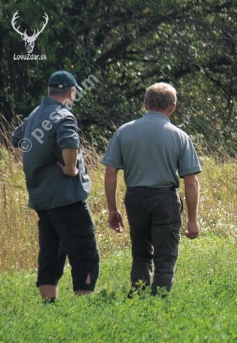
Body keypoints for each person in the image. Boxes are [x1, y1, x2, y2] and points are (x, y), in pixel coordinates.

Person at [102, 82, 201, 297]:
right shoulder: (180, 136)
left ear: (145, 104)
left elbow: (110, 172)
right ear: (172, 107)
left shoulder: (124, 131)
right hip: (165, 199)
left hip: (135, 198)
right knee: (165, 256)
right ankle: (159, 301)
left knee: (141, 253)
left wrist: (112, 208)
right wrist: (193, 219)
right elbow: (190, 181)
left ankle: (138, 295)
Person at [11, 70, 100, 302]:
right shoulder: (64, 115)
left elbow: (16, 139)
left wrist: (34, 159)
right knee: (85, 251)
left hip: (42, 196)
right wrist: (71, 169)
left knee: (51, 251)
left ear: (50, 91)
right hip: (66, 196)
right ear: (72, 92)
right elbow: (69, 143)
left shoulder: (35, 114)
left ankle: (49, 302)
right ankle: (84, 303)